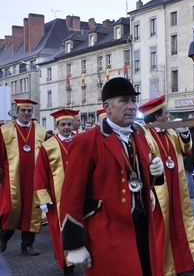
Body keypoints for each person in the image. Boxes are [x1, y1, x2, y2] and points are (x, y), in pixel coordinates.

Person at [59, 77, 165, 276]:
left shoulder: (138, 135)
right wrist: (75, 244)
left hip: (142, 226)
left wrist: (155, 174)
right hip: (107, 231)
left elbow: (138, 183)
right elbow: (71, 196)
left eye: (134, 101)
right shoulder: (86, 142)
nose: (132, 106)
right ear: (106, 107)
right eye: (124, 101)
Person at [139, 96, 194, 276]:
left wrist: (184, 132)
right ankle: (162, 267)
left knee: (181, 226)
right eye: (166, 113)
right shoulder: (144, 136)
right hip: (159, 193)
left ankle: (184, 264)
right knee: (162, 230)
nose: (169, 116)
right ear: (156, 117)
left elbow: (186, 149)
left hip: (177, 188)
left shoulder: (170, 132)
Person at [34, 108, 79, 275]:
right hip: (57, 198)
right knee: (61, 231)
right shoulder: (48, 146)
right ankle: (67, 266)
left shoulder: (80, 142)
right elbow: (40, 173)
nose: (66, 127)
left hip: (79, 195)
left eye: (69, 124)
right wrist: (43, 198)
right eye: (63, 125)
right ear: (57, 126)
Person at [0, 99, 46, 256]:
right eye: (23, 110)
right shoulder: (5, 131)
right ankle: (3, 239)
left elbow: (45, 157)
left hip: (34, 179)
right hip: (12, 178)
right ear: (17, 111)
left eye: (29, 111)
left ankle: (27, 245)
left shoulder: (41, 131)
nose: (26, 113)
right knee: (10, 209)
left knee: (32, 210)